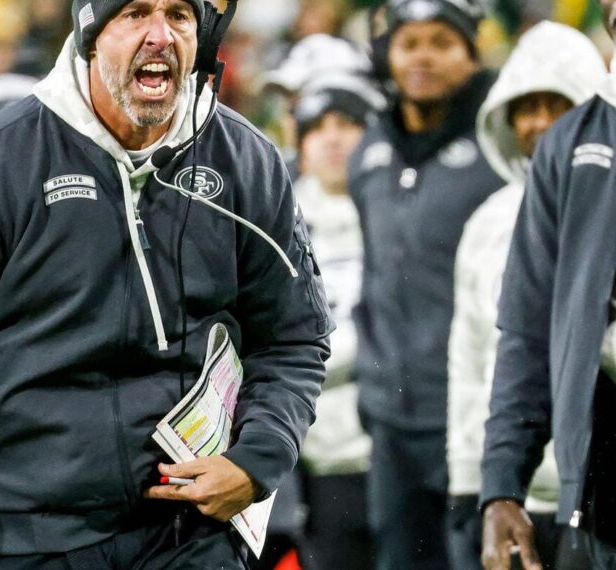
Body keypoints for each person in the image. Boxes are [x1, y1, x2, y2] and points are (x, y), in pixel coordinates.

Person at [0, 1, 331, 569]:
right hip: (25, 538)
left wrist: (256, 461)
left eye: (179, 15)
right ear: (92, 30)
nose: (160, 35)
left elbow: (295, 338)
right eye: (136, 13)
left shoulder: (246, 160)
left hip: (189, 536)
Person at [345, 0, 504, 567]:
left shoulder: (499, 148)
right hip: (392, 421)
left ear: (471, 52)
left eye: (442, 42)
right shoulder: (370, 152)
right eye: (411, 43)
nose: (424, 58)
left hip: (473, 418)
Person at [448, 21, 607, 570]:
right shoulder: (488, 222)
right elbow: (485, 353)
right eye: (525, 107)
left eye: (554, 103)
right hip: (541, 484)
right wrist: (484, 481)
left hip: (579, 482)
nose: (538, 123)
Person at [292, 48, 384, 570]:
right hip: (317, 457)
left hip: (395, 447)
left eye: (347, 122)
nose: (332, 137)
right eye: (317, 126)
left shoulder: (407, 212)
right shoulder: (272, 224)